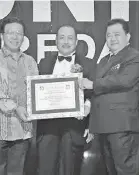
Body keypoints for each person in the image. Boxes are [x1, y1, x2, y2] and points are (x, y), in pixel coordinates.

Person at [80, 18, 139, 175]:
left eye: (117, 34)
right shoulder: (103, 61)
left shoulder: (134, 56)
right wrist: (92, 123)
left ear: (128, 37)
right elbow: (97, 94)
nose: (112, 39)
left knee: (126, 170)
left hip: (122, 125)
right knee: (111, 170)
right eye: (109, 35)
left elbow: (124, 81)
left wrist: (92, 84)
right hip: (103, 126)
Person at [0, 17, 38, 175]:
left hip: (22, 129)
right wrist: (16, 108)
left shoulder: (30, 62)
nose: (15, 37)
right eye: (11, 33)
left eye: (19, 33)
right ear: (2, 36)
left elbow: (36, 92)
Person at [36, 25, 95, 175]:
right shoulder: (43, 63)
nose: (66, 41)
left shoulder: (89, 64)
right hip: (47, 127)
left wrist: (87, 110)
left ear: (76, 42)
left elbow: (94, 93)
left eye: (70, 38)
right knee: (45, 169)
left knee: (71, 170)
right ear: (56, 41)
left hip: (75, 126)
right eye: (62, 37)